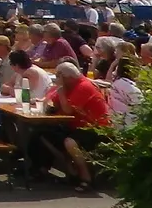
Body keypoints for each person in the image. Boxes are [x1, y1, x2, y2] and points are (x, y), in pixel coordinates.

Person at [40, 60, 111, 191]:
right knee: (44, 134)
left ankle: (86, 177)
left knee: (70, 142)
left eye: (58, 76)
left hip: (96, 127)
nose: (56, 79)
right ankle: (70, 170)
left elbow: (67, 110)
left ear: (67, 77)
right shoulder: (68, 86)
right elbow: (53, 102)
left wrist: (60, 89)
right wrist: (56, 92)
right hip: (75, 125)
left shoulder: (84, 86)